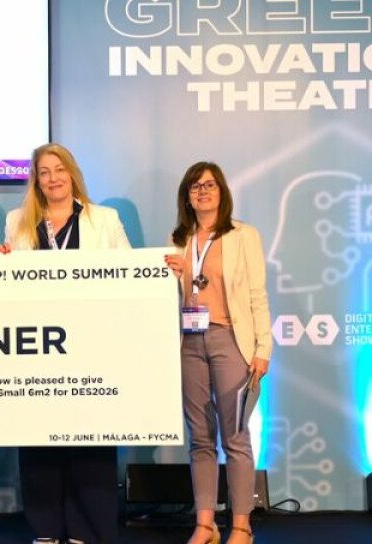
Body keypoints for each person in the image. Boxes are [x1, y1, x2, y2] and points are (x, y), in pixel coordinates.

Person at [0, 143, 130, 544]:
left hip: (92, 343)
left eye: (59, 169)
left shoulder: (104, 220)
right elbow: (10, 284)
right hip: (39, 346)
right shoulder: (17, 221)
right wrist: (2, 260)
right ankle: (46, 529)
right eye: (44, 172)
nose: (52, 178)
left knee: (89, 436)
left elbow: (129, 271)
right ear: (36, 180)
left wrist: (162, 269)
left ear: (72, 173)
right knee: (40, 436)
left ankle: (88, 529)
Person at [163, 162, 271, 544]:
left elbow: (257, 294)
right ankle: (205, 525)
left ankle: (241, 526)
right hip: (189, 343)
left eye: (209, 185)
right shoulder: (178, 239)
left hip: (230, 340)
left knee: (235, 436)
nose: (203, 191)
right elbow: (170, 296)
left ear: (222, 191)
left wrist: (263, 347)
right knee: (200, 437)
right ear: (187, 197)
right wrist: (176, 277)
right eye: (195, 186)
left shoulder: (243, 236)